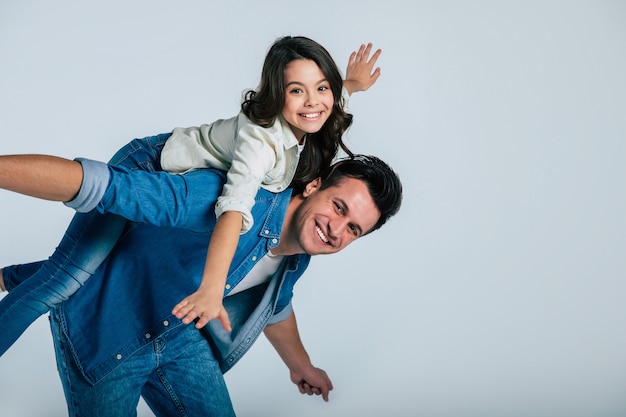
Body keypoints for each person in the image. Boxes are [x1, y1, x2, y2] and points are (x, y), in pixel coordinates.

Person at [0, 36, 383, 355]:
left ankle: (6, 277)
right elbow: (233, 210)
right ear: (276, 95)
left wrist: (350, 86)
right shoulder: (260, 144)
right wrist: (212, 288)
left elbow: (327, 107)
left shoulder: (313, 114)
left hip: (182, 185)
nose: (313, 101)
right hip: (151, 165)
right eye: (296, 90)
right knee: (63, 280)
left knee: (102, 265)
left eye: (322, 88)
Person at [0, 140, 403, 416]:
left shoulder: (298, 255)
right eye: (338, 207)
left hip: (178, 334)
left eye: (353, 229)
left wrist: (301, 365)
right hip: (105, 331)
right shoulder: (234, 200)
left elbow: (276, 307)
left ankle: (8, 276)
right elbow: (112, 189)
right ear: (314, 185)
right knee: (78, 275)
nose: (336, 230)